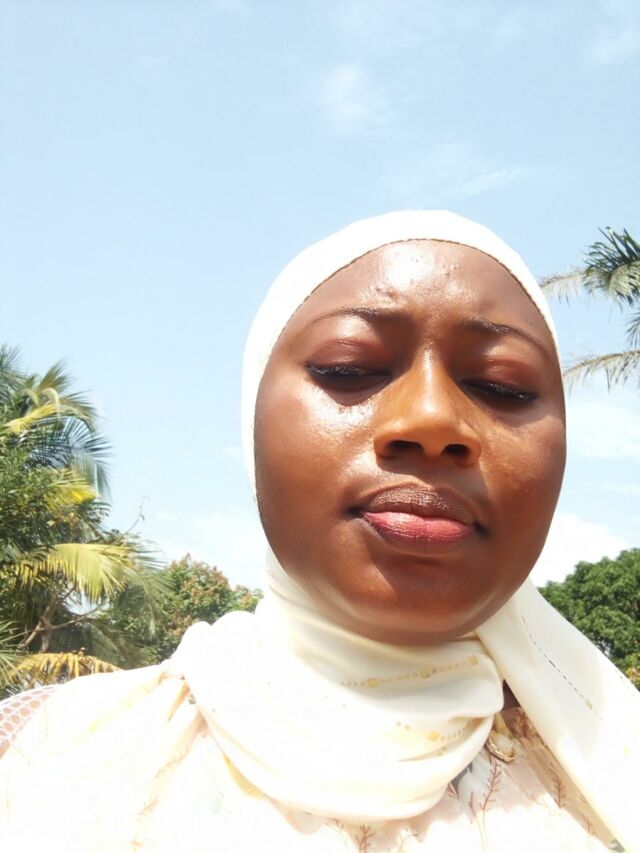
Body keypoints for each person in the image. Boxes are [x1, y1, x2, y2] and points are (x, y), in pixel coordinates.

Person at [0, 211, 638, 852]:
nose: (431, 419)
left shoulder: (616, 773)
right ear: (252, 419)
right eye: (348, 369)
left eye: (500, 386)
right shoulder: (42, 759)